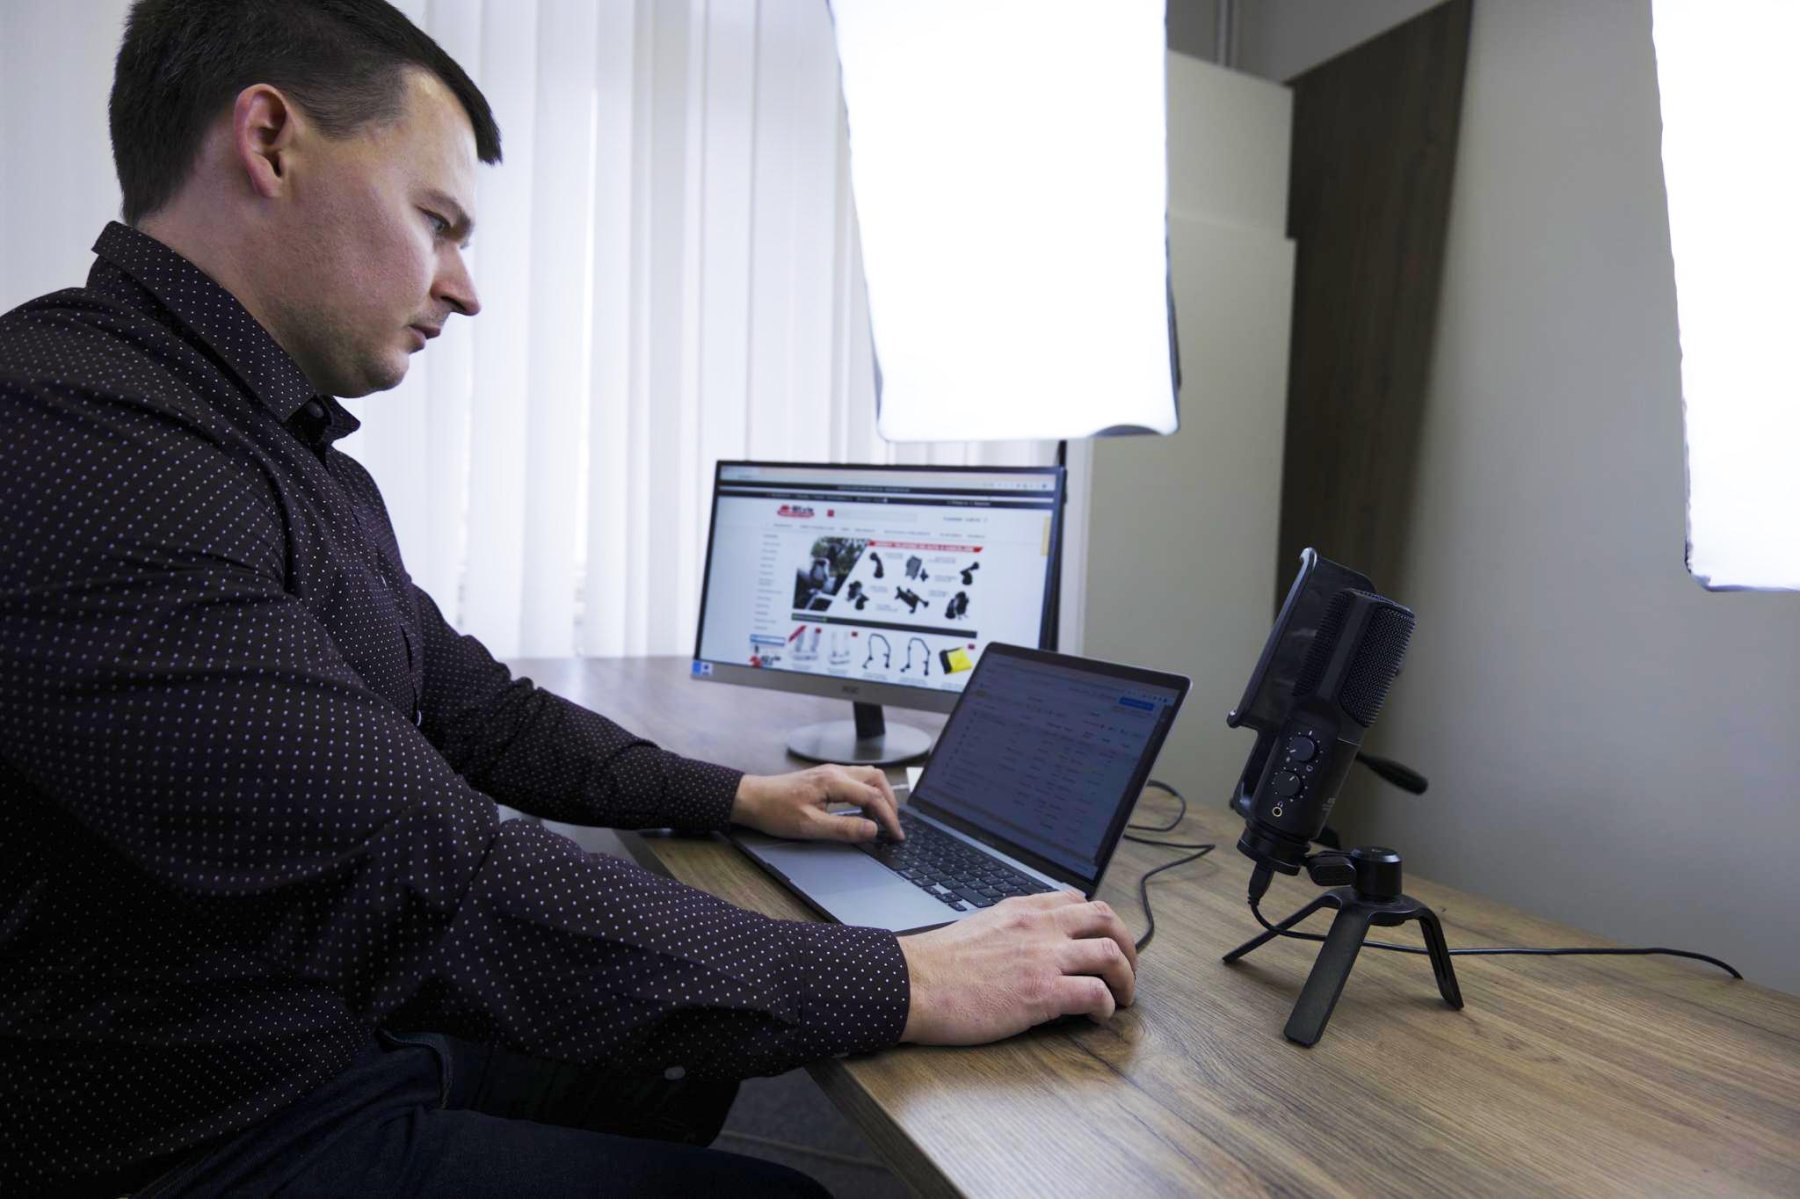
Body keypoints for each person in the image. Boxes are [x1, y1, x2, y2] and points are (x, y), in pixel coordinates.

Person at [0, 2, 1138, 1195]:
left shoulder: (281, 455)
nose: (464, 288)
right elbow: (424, 880)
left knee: (679, 1064)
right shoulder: (76, 437)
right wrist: (909, 976)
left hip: (318, 1033)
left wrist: (740, 794)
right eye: (438, 222)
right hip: (192, 1133)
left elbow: (481, 712)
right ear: (270, 143)